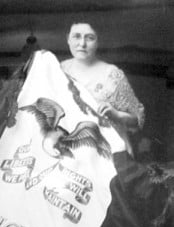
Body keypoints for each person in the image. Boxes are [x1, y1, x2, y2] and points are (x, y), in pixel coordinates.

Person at [61, 21, 145, 155]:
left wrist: (116, 115)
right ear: (68, 39)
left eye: (89, 38)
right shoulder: (59, 70)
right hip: (70, 153)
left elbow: (137, 119)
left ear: (98, 41)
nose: (82, 44)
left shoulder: (112, 75)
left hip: (110, 153)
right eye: (76, 36)